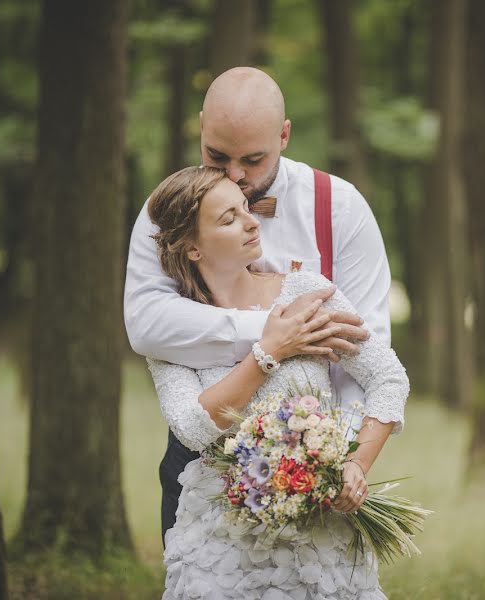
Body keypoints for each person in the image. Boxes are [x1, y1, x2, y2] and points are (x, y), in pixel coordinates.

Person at [123, 67, 394, 541]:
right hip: (200, 462)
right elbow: (148, 325)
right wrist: (277, 335)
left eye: (252, 158)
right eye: (217, 155)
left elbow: (367, 349)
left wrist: (334, 458)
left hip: (317, 460)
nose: (234, 175)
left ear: (285, 135)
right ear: (201, 124)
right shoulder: (166, 212)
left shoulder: (341, 208)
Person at [145, 166, 407, 599]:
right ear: (192, 248)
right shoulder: (171, 329)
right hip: (221, 543)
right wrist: (268, 353)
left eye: (245, 208)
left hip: (318, 535)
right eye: (228, 219)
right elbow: (191, 427)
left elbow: (388, 378)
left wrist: (356, 465)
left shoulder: (305, 292)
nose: (251, 222)